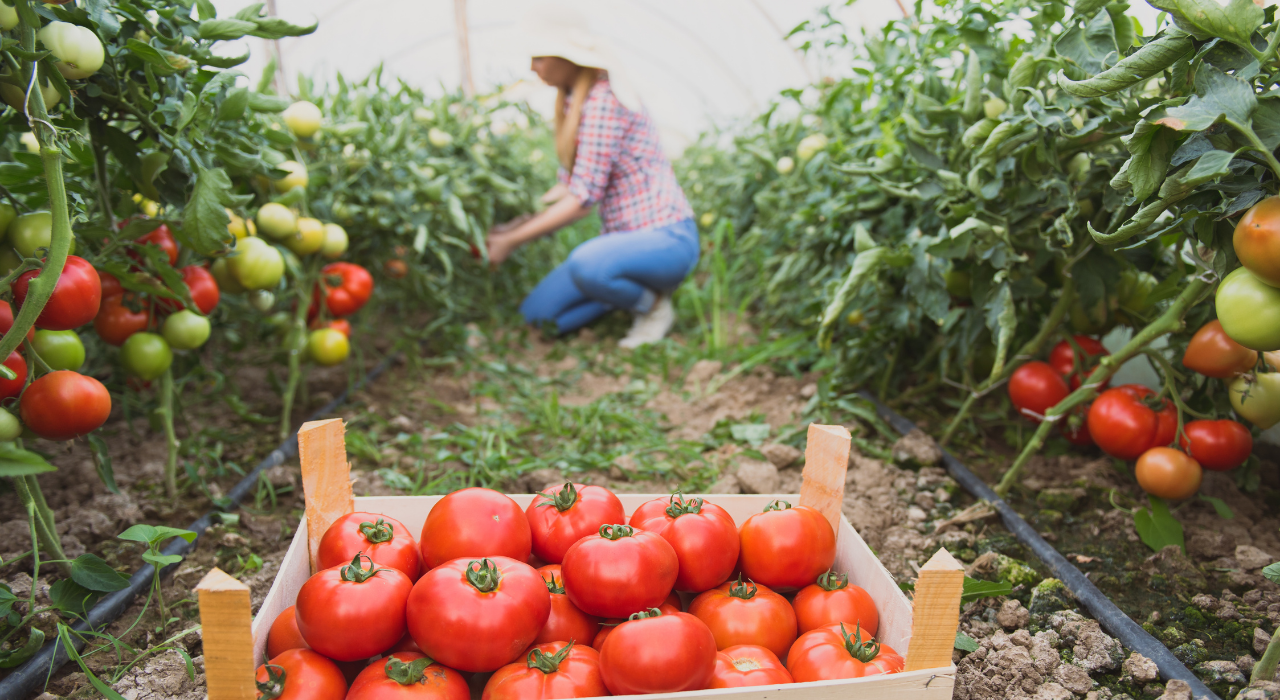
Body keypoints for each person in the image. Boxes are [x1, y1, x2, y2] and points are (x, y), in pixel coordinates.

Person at [486, 11, 697, 348]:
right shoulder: (573, 103)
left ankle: (653, 306)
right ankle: (621, 289)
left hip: (666, 239)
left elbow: (582, 199)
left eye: (539, 57)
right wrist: (512, 227)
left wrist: (512, 241)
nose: (532, 67)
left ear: (568, 58)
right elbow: (568, 188)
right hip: (620, 245)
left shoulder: (604, 100)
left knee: (588, 263)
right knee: (538, 316)